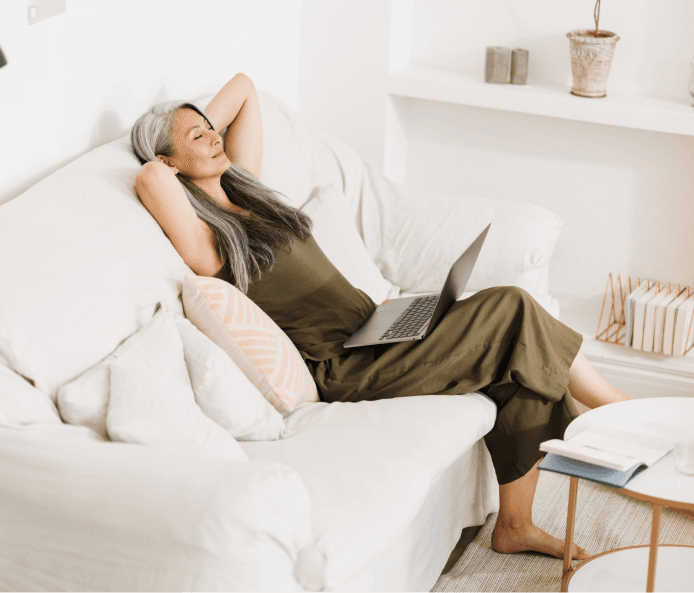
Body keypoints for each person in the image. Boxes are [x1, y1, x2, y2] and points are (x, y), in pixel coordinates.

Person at [130, 72, 633, 561]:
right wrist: (166, 155)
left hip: (378, 325)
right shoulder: (210, 243)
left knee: (518, 357)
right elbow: (150, 177)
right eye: (198, 137)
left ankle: (515, 526)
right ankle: (624, 417)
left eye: (212, 128)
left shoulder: (249, 191)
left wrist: (194, 130)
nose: (214, 137)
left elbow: (244, 87)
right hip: (347, 363)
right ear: (168, 161)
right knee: (513, 305)